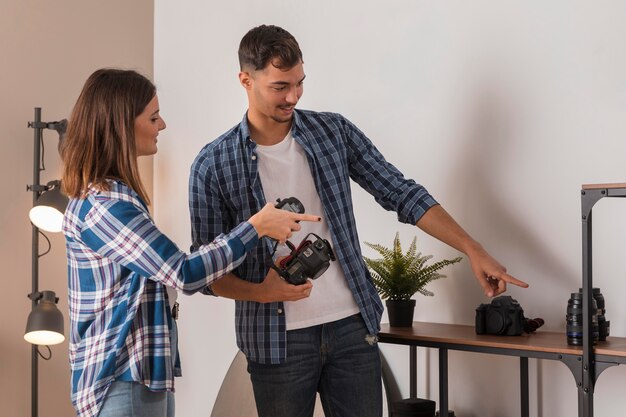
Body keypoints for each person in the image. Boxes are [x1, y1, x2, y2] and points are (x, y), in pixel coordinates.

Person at [188, 25, 529, 417]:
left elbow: (400, 192)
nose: (294, 96)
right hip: (275, 341)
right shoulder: (213, 164)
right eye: (280, 86)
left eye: (300, 83)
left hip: (351, 328)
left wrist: (473, 249)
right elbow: (205, 272)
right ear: (246, 80)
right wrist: (264, 291)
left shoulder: (332, 132)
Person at [60, 68, 320, 417]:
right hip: (121, 380)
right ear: (121, 126)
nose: (162, 125)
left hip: (140, 378)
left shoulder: (117, 199)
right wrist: (255, 227)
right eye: (153, 117)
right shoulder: (104, 208)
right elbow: (183, 272)